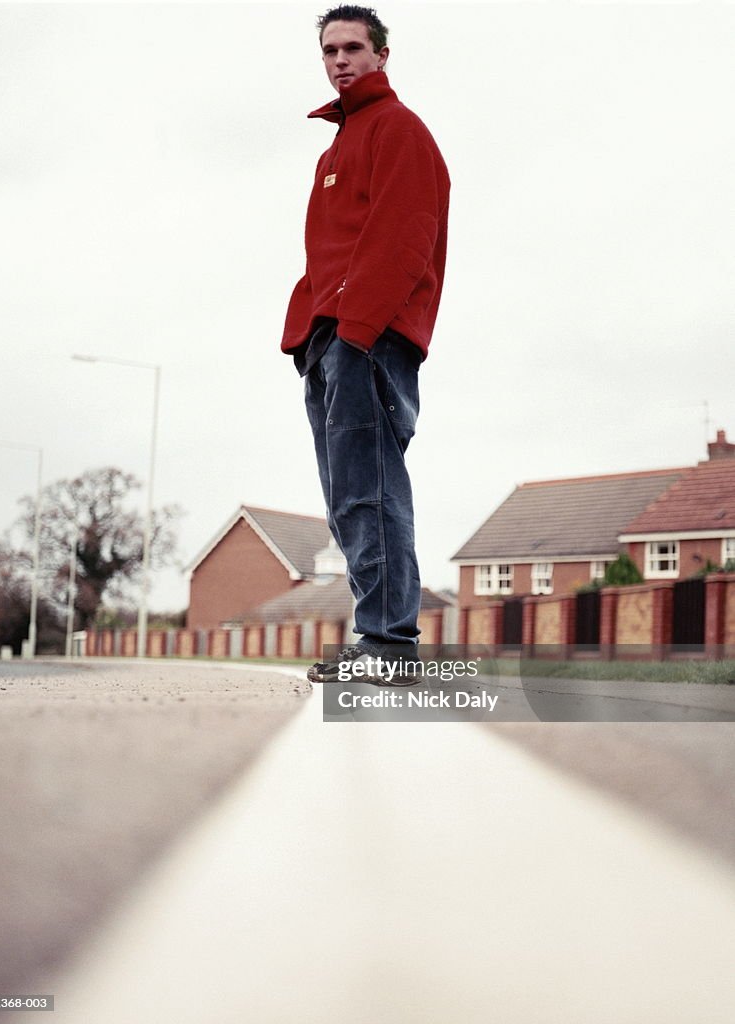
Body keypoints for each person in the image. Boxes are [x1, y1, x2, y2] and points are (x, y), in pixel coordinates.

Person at [281, 4, 450, 683]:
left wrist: (354, 333)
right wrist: (306, 334)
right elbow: (328, 252)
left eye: (354, 47)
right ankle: (377, 638)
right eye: (330, 49)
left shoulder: (398, 130)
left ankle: (388, 646)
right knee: (345, 498)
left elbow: (403, 240)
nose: (340, 59)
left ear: (381, 54)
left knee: (371, 492)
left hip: (368, 339)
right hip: (328, 341)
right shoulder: (335, 147)